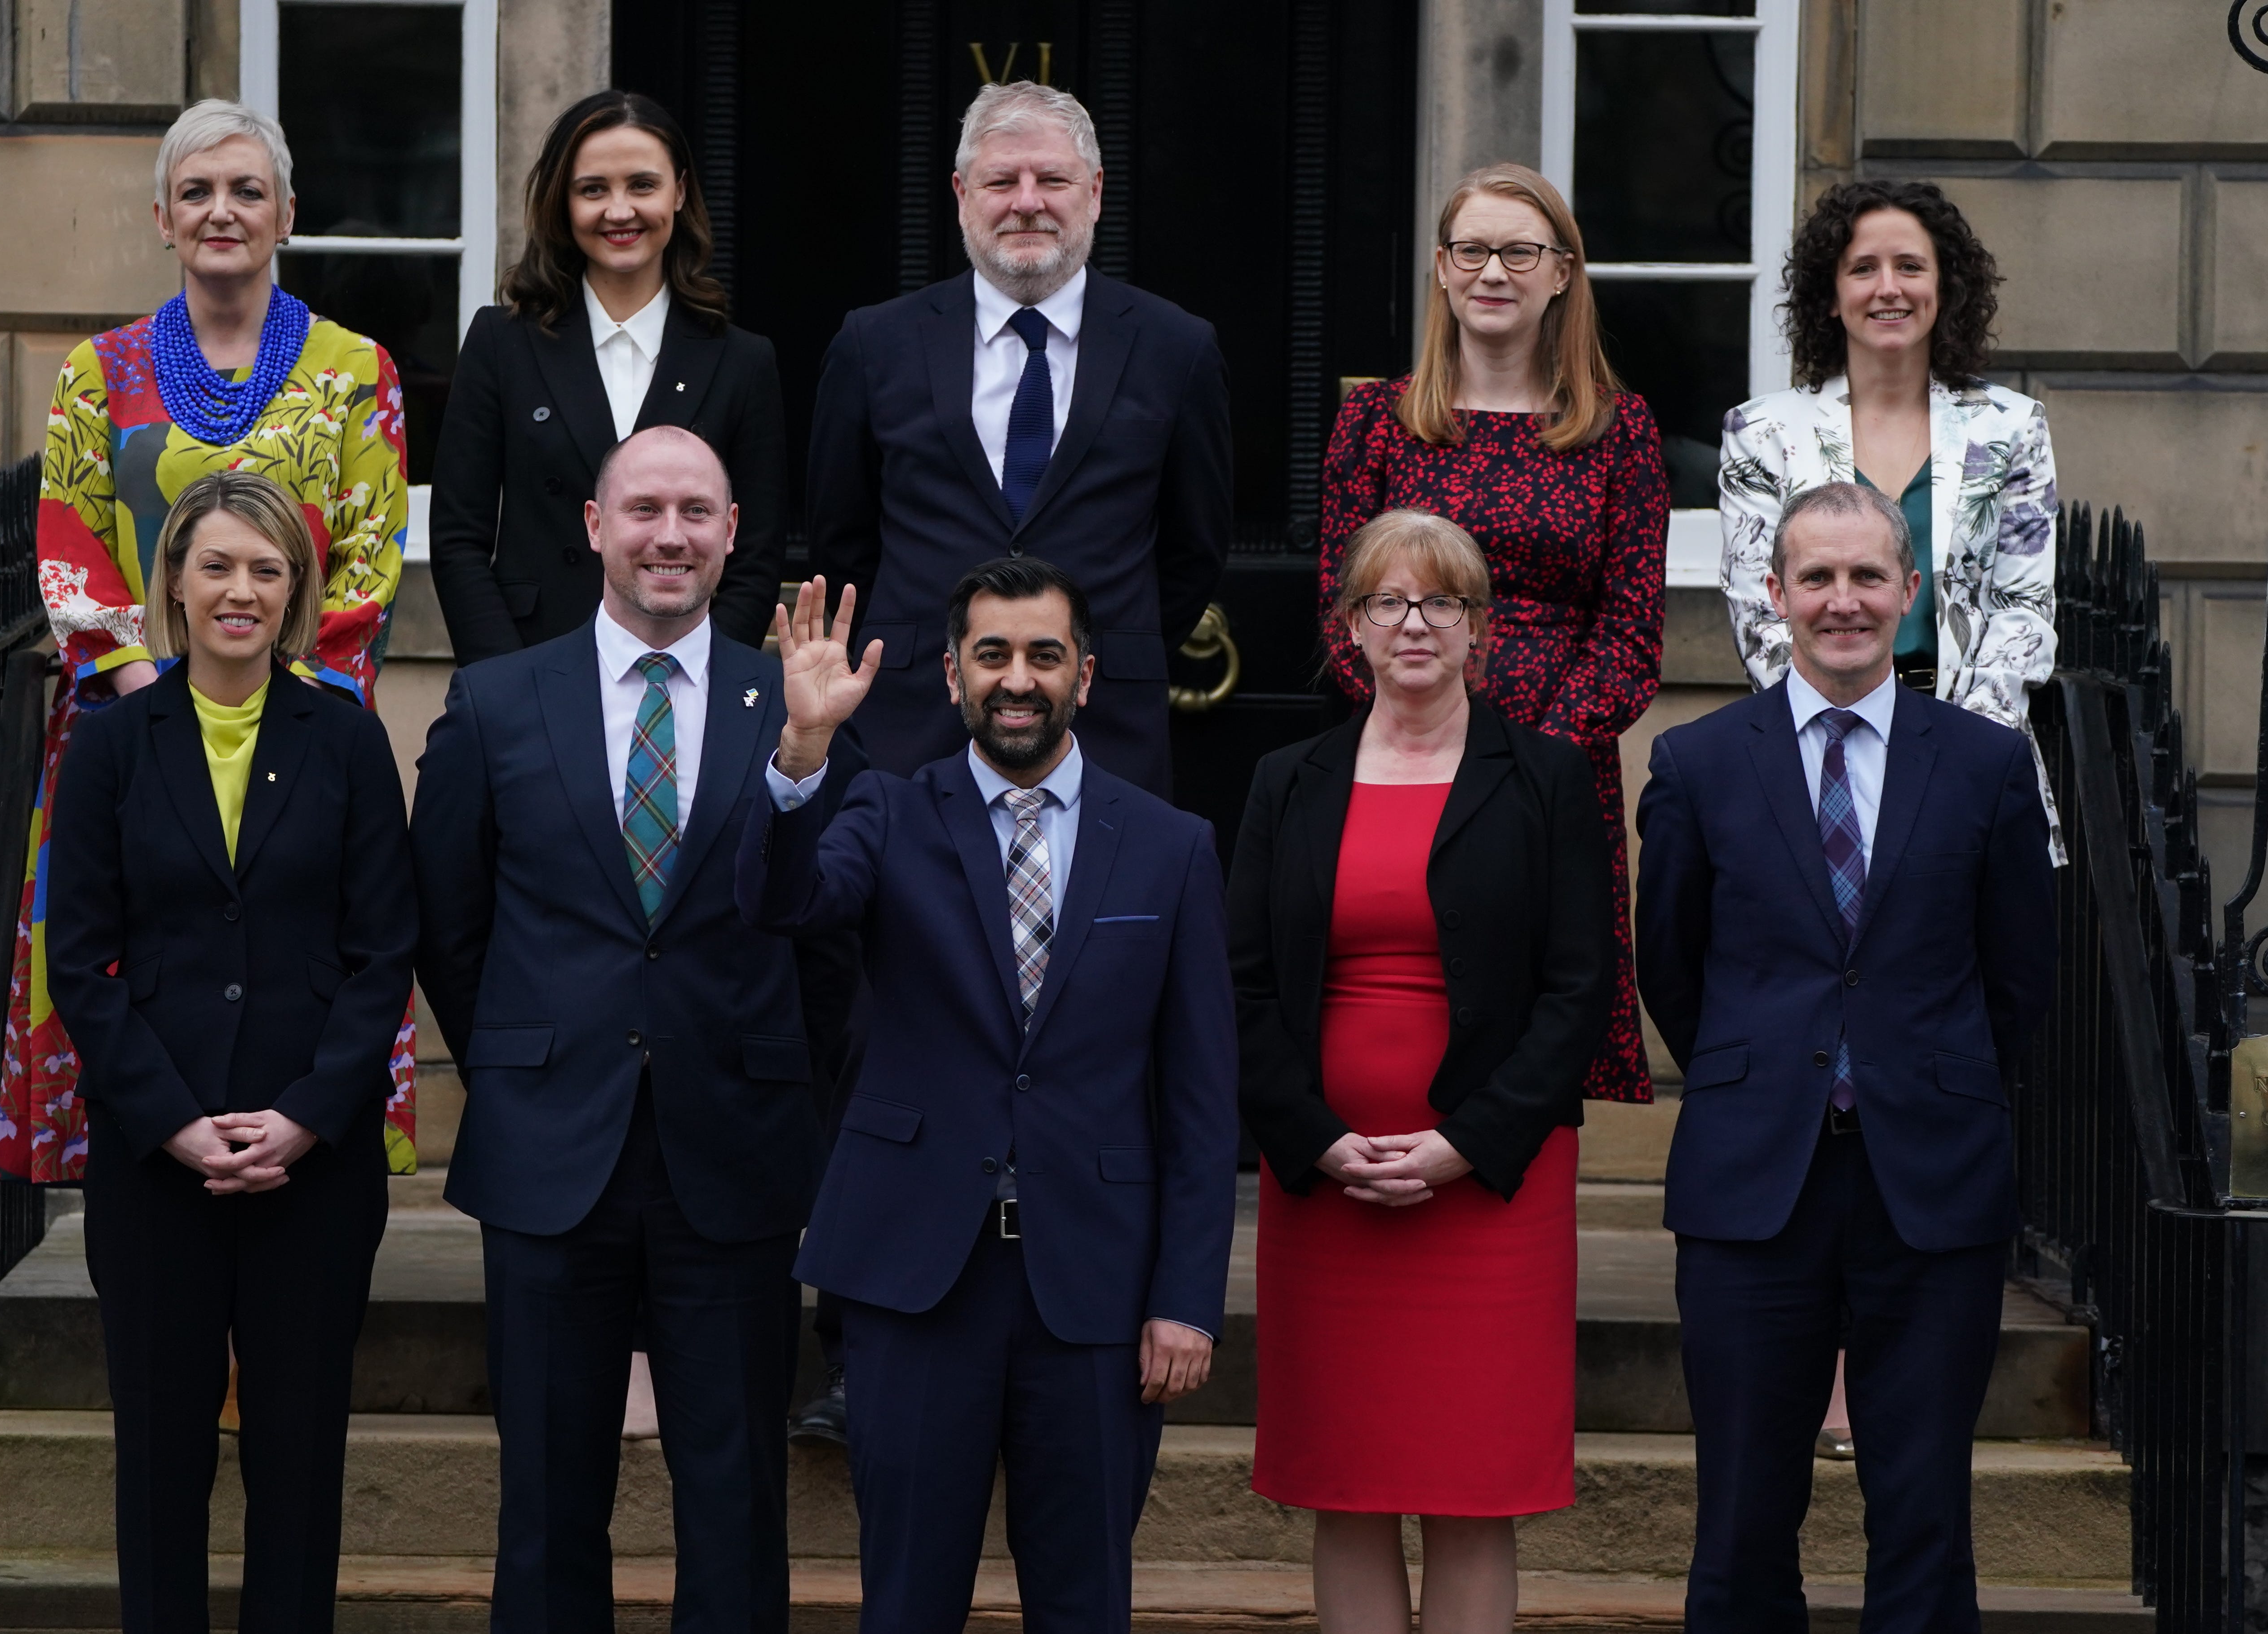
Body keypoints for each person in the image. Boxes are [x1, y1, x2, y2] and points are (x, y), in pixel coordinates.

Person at [738, 559, 1237, 1633]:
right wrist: (801, 749)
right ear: (955, 675)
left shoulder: (1169, 846)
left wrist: (1187, 1294)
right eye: (993, 654)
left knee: (1084, 1600)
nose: (1018, 678)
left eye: (1043, 655)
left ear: (1085, 677)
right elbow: (782, 902)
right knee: (909, 1599)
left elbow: (1200, 1098)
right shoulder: (881, 809)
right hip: (917, 1277)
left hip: (1095, 1288)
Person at [411, 425, 828, 1632]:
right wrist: (527, 1050)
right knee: (544, 1503)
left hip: (736, 1153)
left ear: (734, 533)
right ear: (596, 527)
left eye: (697, 510)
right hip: (551, 1153)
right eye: (643, 507)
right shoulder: (497, 699)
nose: (670, 534)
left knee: (736, 1499)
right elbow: (449, 917)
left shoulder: (790, 703)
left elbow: (832, 933)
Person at [1634, 481, 2055, 1630]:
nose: (1842, 600)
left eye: (1868, 576)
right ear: (1773, 596)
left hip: (1928, 1182)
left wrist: (1913, 1071)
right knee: (1741, 1519)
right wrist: (1773, 1066)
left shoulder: (1981, 764)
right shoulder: (1698, 762)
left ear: (1909, 593)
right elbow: (1670, 965)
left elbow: (2018, 972)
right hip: (1749, 1184)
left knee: (1921, 1514)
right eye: (1815, 577)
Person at [0, 98, 414, 1185]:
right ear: (161, 217)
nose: (220, 211)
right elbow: (72, 550)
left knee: (302, 964)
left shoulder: (358, 371)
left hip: (306, 729)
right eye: (197, 192)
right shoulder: (99, 374)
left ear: (286, 214)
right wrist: (153, 700)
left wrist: (267, 686)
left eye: (245, 191)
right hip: (127, 728)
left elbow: (368, 560)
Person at [48, 471, 417, 1634]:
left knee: (299, 1462)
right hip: (158, 1162)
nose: (241, 590)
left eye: (267, 569)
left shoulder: (347, 740)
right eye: (217, 565)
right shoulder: (111, 747)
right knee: (160, 1459)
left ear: (297, 590)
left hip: (314, 1160)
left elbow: (384, 951)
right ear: (176, 583)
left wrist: (306, 1113)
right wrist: (172, 1119)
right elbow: (81, 963)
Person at [1230, 509, 1607, 1632]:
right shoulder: (1286, 779)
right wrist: (1312, 1135)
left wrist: (1466, 1145)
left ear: (1478, 629)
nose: (1413, 623)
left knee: (1469, 1487)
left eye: (1441, 600)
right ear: (1349, 624)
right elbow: (1241, 983)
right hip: (1327, 1184)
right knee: (1343, 1482)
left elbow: (1578, 987)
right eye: (1386, 600)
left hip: (1491, 1188)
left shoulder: (1544, 777)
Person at [1318, 162, 1665, 1108]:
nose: (1493, 272)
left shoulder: (1619, 431)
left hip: (1560, 765)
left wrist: (1535, 756)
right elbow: (1341, 612)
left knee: (1536, 1017)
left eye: (1520, 251)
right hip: (1406, 757)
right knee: (1410, 999)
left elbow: (1631, 628)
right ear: (1440, 268)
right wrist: (1437, 734)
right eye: (1471, 250)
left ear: (1562, 273)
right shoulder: (1374, 425)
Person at [805, 80, 1231, 797]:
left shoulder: (1176, 348)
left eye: (1052, 179)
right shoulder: (873, 343)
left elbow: (1197, 548)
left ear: (1093, 192)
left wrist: (1094, 640)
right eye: (1001, 180)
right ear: (962, 194)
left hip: (1105, 724)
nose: (1027, 201)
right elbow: (842, 541)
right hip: (915, 724)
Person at [1720, 177, 2060, 862]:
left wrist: (1956, 752)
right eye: (1863, 268)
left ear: (1946, 285)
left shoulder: (2011, 426)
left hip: (1973, 761)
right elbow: (1761, 618)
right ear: (1830, 292)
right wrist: (1847, 733)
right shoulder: (1761, 432)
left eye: (1910, 266)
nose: (1888, 288)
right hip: (1817, 758)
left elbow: (2023, 610)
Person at [434, 90, 787, 659]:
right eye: (593, 189)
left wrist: (703, 679)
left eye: (642, 185)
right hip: (531, 661)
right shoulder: (501, 343)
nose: (619, 210)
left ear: (679, 193)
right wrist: (502, 686)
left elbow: (755, 556)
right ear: (561, 202)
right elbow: (458, 540)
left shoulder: (742, 361)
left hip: (681, 680)